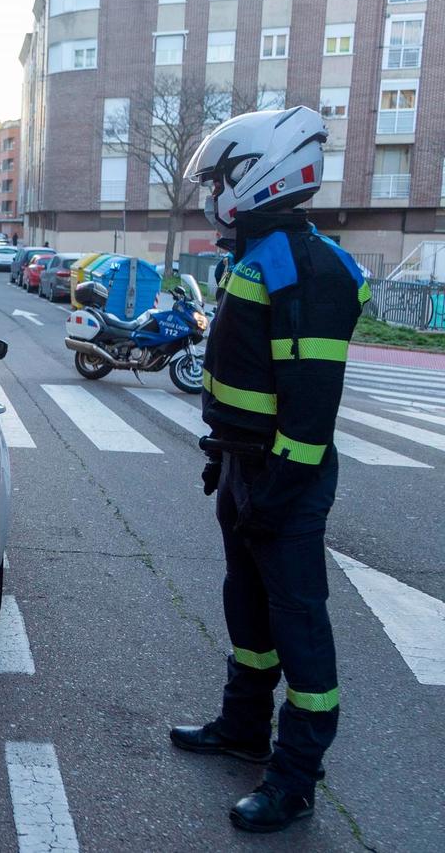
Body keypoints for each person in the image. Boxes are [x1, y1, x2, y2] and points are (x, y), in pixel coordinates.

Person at [172, 107, 369, 832]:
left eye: (218, 178)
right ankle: (243, 727)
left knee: (298, 627)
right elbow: (246, 382)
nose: (210, 194)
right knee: (247, 612)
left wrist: (276, 492)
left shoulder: (308, 269)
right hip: (245, 471)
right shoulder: (258, 258)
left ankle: (294, 778)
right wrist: (222, 456)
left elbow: (310, 414)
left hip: (285, 480)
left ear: (257, 176)